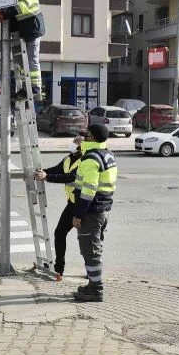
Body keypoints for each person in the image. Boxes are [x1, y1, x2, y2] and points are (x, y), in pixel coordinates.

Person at [71, 124, 117, 303]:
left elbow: (89, 190)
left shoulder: (90, 159)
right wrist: (81, 144)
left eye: (87, 134)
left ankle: (96, 290)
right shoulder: (107, 154)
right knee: (94, 249)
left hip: (91, 212)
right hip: (102, 210)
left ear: (92, 137)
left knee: (90, 251)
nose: (84, 136)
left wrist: (78, 215)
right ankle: (92, 285)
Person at [33, 136, 83, 281]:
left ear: (81, 146)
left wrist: (47, 177)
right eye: (73, 142)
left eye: (75, 143)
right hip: (73, 203)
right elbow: (57, 170)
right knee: (60, 232)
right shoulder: (68, 159)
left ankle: (92, 271)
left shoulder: (84, 160)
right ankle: (59, 268)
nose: (72, 144)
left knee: (86, 238)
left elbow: (70, 177)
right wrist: (40, 174)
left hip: (85, 204)